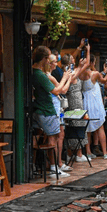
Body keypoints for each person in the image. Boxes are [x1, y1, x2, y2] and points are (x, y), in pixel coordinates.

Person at [30, 46, 73, 178]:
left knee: (44, 137)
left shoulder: (33, 72)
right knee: (53, 138)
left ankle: (37, 166)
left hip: (38, 109)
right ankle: (54, 168)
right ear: (43, 59)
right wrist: (66, 77)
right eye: (48, 59)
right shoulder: (41, 75)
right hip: (47, 110)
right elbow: (56, 91)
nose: (49, 62)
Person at [76, 39, 107, 159]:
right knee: (100, 126)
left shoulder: (80, 72)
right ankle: (105, 152)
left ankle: (88, 152)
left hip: (85, 100)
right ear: (92, 62)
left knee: (88, 128)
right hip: (95, 101)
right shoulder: (94, 73)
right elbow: (105, 81)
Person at [46, 53, 74, 174]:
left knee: (59, 134)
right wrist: (67, 79)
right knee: (55, 136)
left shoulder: (48, 75)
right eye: (54, 61)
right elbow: (62, 90)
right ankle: (55, 165)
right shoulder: (48, 76)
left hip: (57, 108)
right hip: (54, 108)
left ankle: (57, 163)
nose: (56, 64)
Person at [65, 56, 91, 163]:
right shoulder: (67, 73)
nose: (74, 58)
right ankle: (74, 153)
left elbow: (86, 64)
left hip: (79, 101)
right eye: (71, 58)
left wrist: (87, 50)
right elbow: (72, 78)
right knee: (74, 125)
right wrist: (80, 66)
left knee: (80, 124)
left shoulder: (76, 70)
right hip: (72, 102)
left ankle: (77, 153)